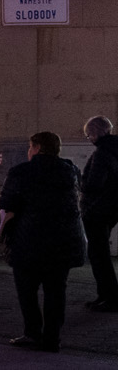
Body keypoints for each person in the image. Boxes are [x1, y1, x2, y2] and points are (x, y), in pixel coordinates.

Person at [0, 131, 87, 351]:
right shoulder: (71, 171)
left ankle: (32, 332)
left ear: (37, 147)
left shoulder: (21, 172)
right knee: (56, 291)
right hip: (64, 241)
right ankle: (52, 338)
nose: (29, 151)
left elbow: (8, 205)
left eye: (30, 147)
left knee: (27, 289)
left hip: (30, 240)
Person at [82, 115, 118, 312]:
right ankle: (107, 295)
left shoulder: (102, 153)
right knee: (102, 255)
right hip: (112, 209)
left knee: (98, 256)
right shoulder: (115, 149)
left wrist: (81, 184)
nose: (89, 139)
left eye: (89, 135)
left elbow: (94, 184)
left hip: (96, 209)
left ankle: (108, 297)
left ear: (96, 133)